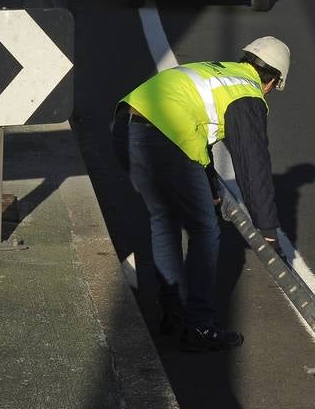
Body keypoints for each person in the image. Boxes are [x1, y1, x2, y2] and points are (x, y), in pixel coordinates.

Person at [113, 36, 291, 352]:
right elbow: (253, 165)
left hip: (126, 127)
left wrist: (208, 183)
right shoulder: (246, 93)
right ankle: (200, 326)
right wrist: (268, 232)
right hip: (165, 139)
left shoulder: (215, 71)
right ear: (272, 81)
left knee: (163, 218)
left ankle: (173, 313)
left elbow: (198, 127)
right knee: (204, 230)